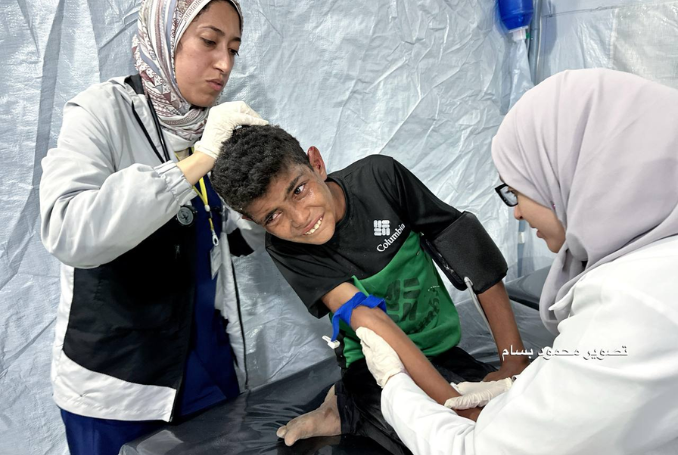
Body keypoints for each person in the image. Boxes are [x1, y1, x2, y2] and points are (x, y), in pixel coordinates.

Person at [357, 68, 678, 455]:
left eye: (516, 191)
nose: (517, 213)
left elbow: (477, 450)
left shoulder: (629, 308)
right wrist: (522, 387)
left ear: (573, 175)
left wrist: (395, 385)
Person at [210, 124, 530, 454]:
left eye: (299, 190)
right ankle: (346, 407)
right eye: (273, 216)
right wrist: (457, 409)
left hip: (441, 347)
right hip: (376, 368)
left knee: (506, 413)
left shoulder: (381, 177)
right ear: (253, 220)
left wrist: (513, 361)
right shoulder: (285, 248)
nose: (300, 218)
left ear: (316, 164)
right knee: (428, 436)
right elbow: (369, 319)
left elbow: (468, 249)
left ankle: (342, 405)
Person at [39, 1, 268, 454]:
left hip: (207, 365)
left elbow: (233, 241)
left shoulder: (213, 127)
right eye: (209, 41)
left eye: (233, 49)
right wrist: (198, 163)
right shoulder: (100, 112)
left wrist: (267, 197)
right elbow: (66, 229)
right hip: (118, 383)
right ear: (164, 39)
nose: (224, 64)